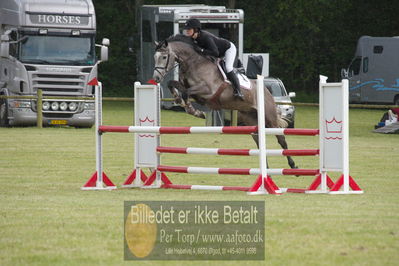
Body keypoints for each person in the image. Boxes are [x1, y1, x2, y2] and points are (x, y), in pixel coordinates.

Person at [183, 18, 244, 100]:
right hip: (216, 52)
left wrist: (202, 50)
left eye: (189, 29)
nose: (187, 31)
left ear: (196, 29)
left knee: (228, 68)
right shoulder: (193, 39)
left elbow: (215, 53)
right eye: (187, 29)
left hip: (227, 49)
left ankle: (238, 91)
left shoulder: (205, 37)